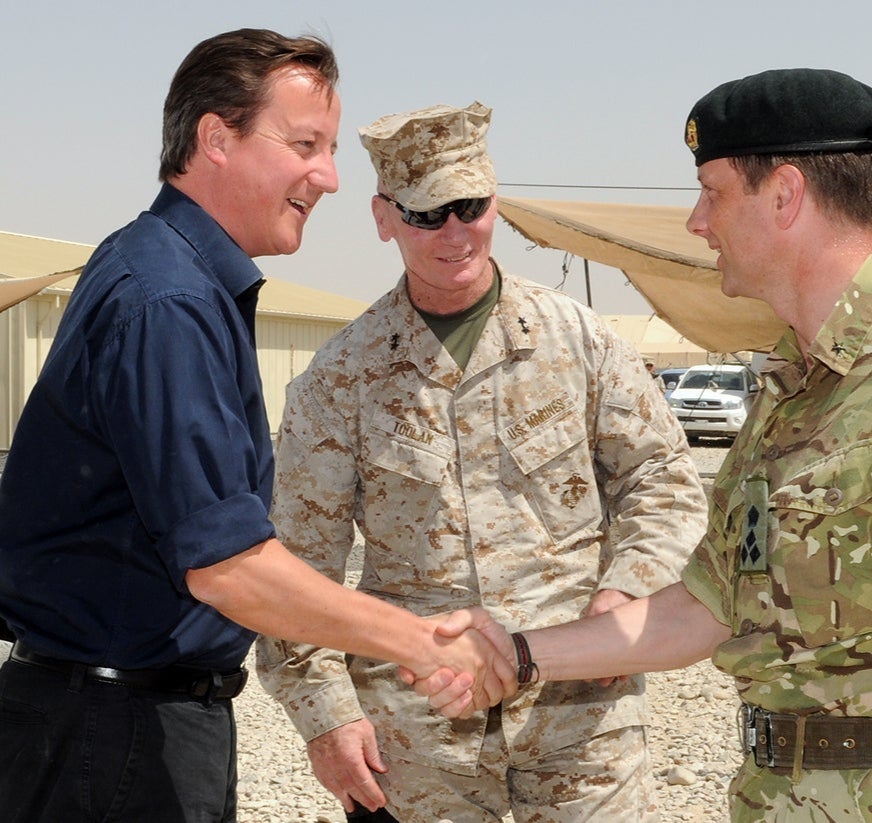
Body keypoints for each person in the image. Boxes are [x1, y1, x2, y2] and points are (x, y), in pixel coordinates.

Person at [416, 69, 872, 822]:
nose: (696, 222)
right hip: (771, 797)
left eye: (711, 191)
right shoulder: (786, 391)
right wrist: (516, 652)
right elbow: (702, 612)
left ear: (782, 196)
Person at [0, 31, 511, 823]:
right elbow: (227, 566)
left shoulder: (169, 275)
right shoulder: (165, 299)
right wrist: (423, 642)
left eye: (331, 149)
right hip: (110, 740)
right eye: (304, 144)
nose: (330, 177)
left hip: (115, 724)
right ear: (216, 138)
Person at [255, 101, 708, 822]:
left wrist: (626, 592)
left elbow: (664, 483)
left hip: (580, 722)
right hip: (417, 743)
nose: (453, 232)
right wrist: (326, 717)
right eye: (426, 214)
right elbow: (296, 571)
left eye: (469, 206)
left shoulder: (580, 344)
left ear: (494, 201)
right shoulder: (340, 378)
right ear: (384, 217)